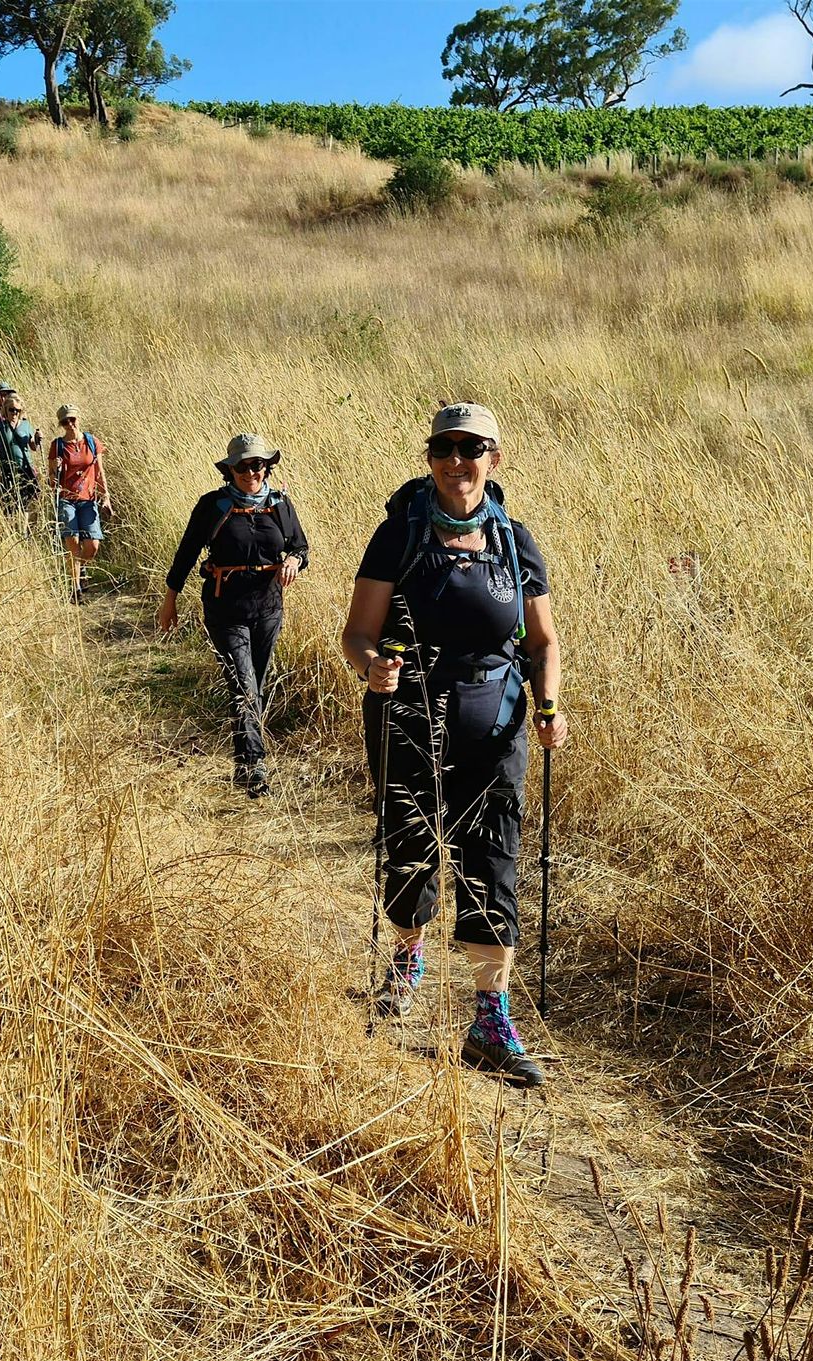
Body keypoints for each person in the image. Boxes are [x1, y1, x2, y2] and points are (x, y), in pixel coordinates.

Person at [340, 402, 567, 1087]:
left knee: (492, 856)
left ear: (495, 459)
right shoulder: (398, 536)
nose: (457, 461)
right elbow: (356, 634)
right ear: (430, 456)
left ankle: (489, 1018)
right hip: (408, 713)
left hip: (497, 721)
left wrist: (550, 706)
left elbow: (543, 640)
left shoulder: (514, 540)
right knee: (409, 846)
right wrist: (371, 665)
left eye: (472, 449)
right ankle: (408, 955)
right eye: (445, 447)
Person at [158, 433, 309, 799]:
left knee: (256, 682)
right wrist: (170, 599)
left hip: (269, 607)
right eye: (242, 466)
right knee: (243, 685)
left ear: (267, 467)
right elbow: (188, 551)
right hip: (225, 608)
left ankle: (243, 763)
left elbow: (301, 547)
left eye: (257, 464)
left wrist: (293, 560)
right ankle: (255, 765)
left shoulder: (280, 504)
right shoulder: (213, 505)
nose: (251, 472)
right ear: (230, 470)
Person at [52, 404, 112, 601]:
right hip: (67, 500)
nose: (70, 424)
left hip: (88, 500)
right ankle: (76, 588)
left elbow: (100, 471)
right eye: (65, 421)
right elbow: (51, 480)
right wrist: (56, 470)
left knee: (92, 546)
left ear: (78, 419)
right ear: (61, 424)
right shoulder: (58, 445)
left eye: (72, 419)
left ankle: (81, 567)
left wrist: (106, 496)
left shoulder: (91, 441)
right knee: (73, 544)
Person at [0, 393, 42, 524]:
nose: (14, 413)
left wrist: (37, 438)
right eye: (11, 409)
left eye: (17, 410)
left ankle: (25, 532)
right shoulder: (0, 426)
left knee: (26, 503)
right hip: (5, 470)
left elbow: (33, 447)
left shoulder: (26, 425)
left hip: (24, 469)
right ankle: (9, 529)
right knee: (7, 504)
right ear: (5, 410)